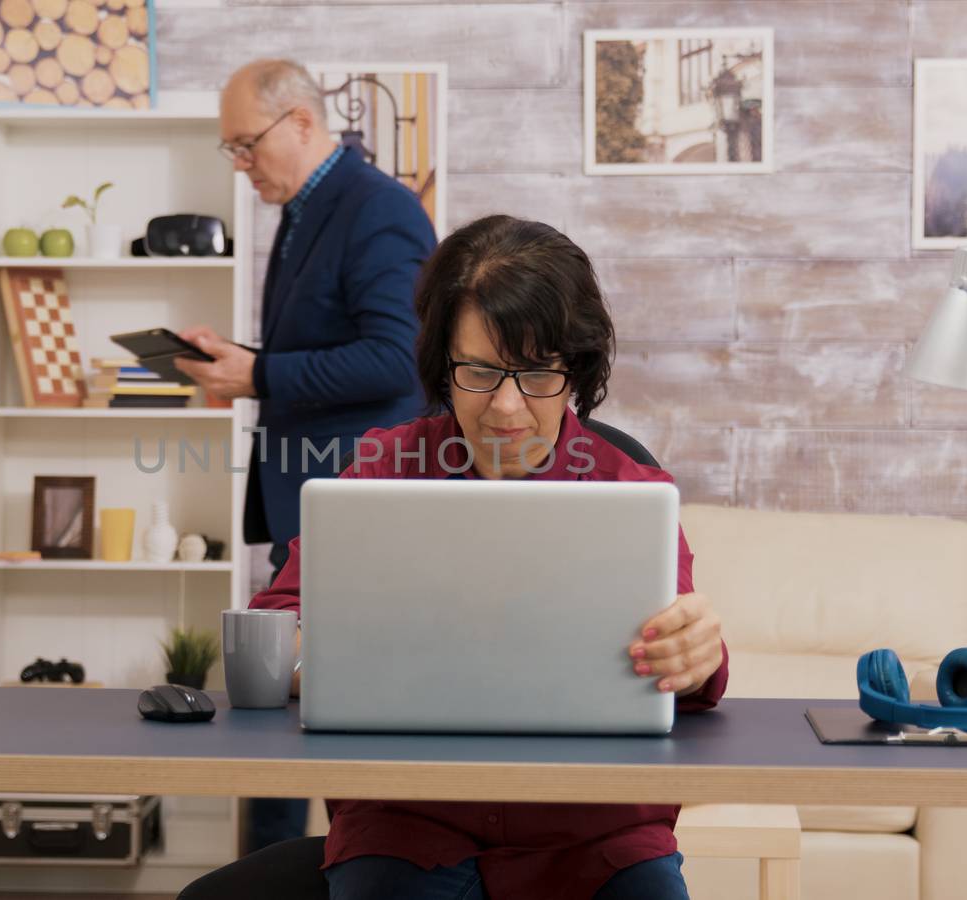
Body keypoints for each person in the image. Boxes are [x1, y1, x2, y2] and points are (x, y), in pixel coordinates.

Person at [179, 215, 728, 900]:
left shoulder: (632, 491)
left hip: (595, 837)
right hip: (407, 824)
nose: (504, 407)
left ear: (575, 369)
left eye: (534, 373)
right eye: (478, 371)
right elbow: (276, 624)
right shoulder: (384, 470)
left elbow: (689, 659)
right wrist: (310, 654)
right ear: (444, 363)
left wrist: (698, 653)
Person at [176, 58, 436, 853]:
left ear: (301, 122)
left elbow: (400, 359)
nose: (241, 163)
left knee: (317, 716)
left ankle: (357, 866)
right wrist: (242, 364)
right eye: (231, 150)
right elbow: (331, 348)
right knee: (276, 707)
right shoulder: (308, 209)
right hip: (313, 502)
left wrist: (258, 373)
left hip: (354, 510)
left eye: (246, 144)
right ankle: (279, 868)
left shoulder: (379, 210)